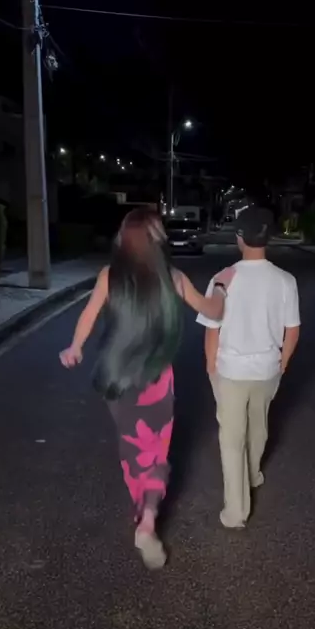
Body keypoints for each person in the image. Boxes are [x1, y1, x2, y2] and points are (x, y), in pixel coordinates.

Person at [60, 209, 232, 569]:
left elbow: (88, 315)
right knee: (156, 453)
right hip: (156, 380)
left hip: (118, 380)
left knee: (132, 449)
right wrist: (220, 286)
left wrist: (75, 347)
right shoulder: (174, 278)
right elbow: (214, 312)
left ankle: (141, 505)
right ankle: (148, 518)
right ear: (157, 240)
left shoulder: (109, 276)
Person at [196, 207, 300, 529]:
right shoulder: (285, 281)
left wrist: (211, 367)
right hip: (267, 370)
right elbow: (292, 329)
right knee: (259, 426)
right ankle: (253, 473)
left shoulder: (223, 279)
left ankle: (236, 512)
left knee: (231, 439)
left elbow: (212, 328)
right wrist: (282, 363)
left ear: (239, 237)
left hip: (230, 371)